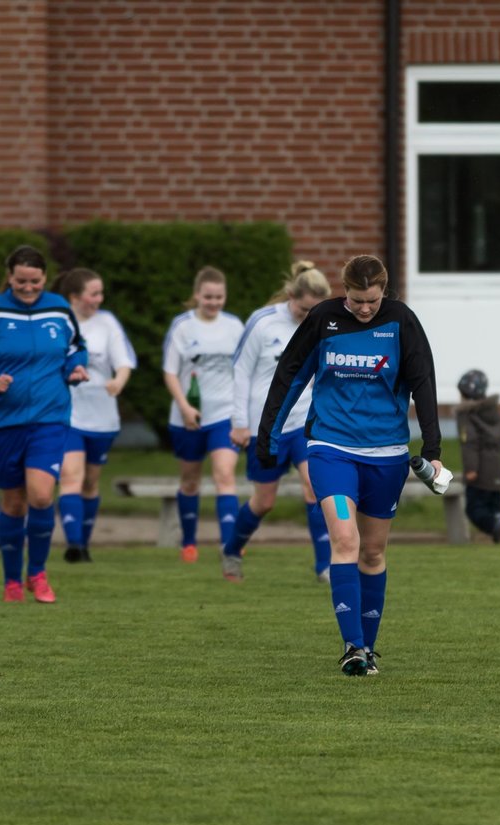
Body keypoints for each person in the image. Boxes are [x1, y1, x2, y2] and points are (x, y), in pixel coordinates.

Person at [256, 254, 441, 677]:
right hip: (330, 448)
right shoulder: (324, 319)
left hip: (387, 455)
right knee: (345, 540)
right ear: (345, 291)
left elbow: (423, 382)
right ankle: (352, 647)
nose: (363, 309)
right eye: (357, 300)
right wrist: (267, 434)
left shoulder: (401, 322)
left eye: (372, 301)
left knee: (373, 552)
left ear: (385, 291)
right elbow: (289, 374)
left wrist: (433, 447)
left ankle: (369, 650)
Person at [0, 245, 88, 604]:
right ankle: (12, 580)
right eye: (20, 282)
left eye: (34, 281)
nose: (28, 288)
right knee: (14, 504)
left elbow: (76, 347)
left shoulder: (59, 310)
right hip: (4, 422)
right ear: (9, 278)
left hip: (50, 417)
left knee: (42, 494)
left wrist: (74, 367)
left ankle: (38, 573)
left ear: (45, 278)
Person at [222, 260, 332, 581]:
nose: (308, 315)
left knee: (316, 487)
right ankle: (232, 551)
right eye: (303, 308)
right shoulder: (263, 322)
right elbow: (240, 372)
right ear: (290, 295)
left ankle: (325, 565)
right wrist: (239, 422)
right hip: (265, 425)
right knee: (264, 501)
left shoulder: (323, 323)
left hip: (304, 422)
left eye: (316, 309)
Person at [162, 266, 244, 565]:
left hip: (224, 413)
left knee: (224, 475)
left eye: (219, 297)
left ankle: (229, 545)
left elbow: (244, 369)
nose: (213, 302)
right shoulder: (183, 327)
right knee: (190, 480)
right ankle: (189, 542)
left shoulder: (235, 326)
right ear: (197, 295)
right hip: (188, 416)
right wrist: (184, 406)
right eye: (208, 297)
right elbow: (170, 372)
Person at [54, 268, 136, 563]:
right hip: (68, 415)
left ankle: (84, 544)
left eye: (101, 293)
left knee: (90, 482)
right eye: (93, 294)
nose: (99, 300)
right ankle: (73, 545)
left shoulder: (107, 322)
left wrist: (118, 381)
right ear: (75, 297)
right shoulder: (58, 323)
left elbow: (124, 362)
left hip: (102, 417)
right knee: (70, 477)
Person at [454, 368, 500, 544]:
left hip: (479, 473)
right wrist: (494, 449)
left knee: (475, 510)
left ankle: (497, 528)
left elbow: (470, 443)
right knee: (495, 506)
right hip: (496, 470)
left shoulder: (466, 415)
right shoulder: (494, 412)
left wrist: (471, 469)